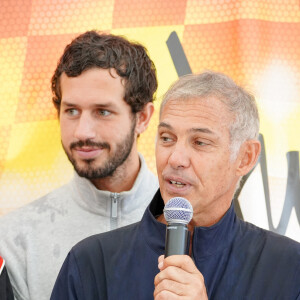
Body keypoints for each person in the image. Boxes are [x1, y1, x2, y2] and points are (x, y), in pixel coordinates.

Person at [51, 71, 300, 300]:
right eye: (167, 138)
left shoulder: (288, 267)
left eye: (200, 142)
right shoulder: (91, 262)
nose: (175, 159)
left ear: (245, 157)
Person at [0, 31, 159, 300]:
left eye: (102, 111)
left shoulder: (195, 224)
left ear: (142, 117)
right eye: (71, 110)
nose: (83, 132)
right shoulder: (16, 236)